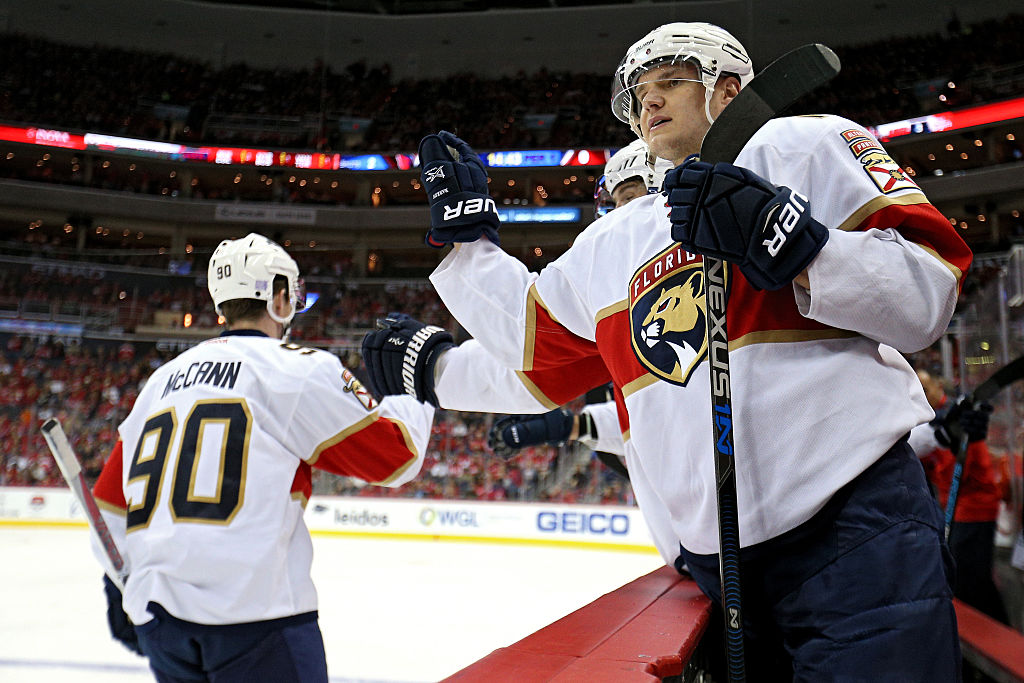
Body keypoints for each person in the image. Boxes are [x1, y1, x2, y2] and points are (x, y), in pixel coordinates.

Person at [367, 21, 974, 680]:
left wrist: (795, 241)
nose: (648, 102)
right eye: (638, 94)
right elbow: (532, 347)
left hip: (855, 531)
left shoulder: (806, 144)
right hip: (722, 568)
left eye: (669, 83)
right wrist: (468, 250)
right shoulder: (617, 240)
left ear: (729, 87)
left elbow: (927, 292)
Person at [90, 233, 434, 682]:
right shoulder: (299, 369)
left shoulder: (162, 380)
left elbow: (111, 507)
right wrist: (413, 382)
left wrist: (122, 587)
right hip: (258, 622)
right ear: (278, 297)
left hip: (164, 622)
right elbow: (396, 459)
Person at [909, 368, 1010, 623]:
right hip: (959, 507)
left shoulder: (956, 417)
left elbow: (963, 468)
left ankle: (995, 630)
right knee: (969, 578)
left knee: (971, 579)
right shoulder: (932, 421)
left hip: (973, 507)